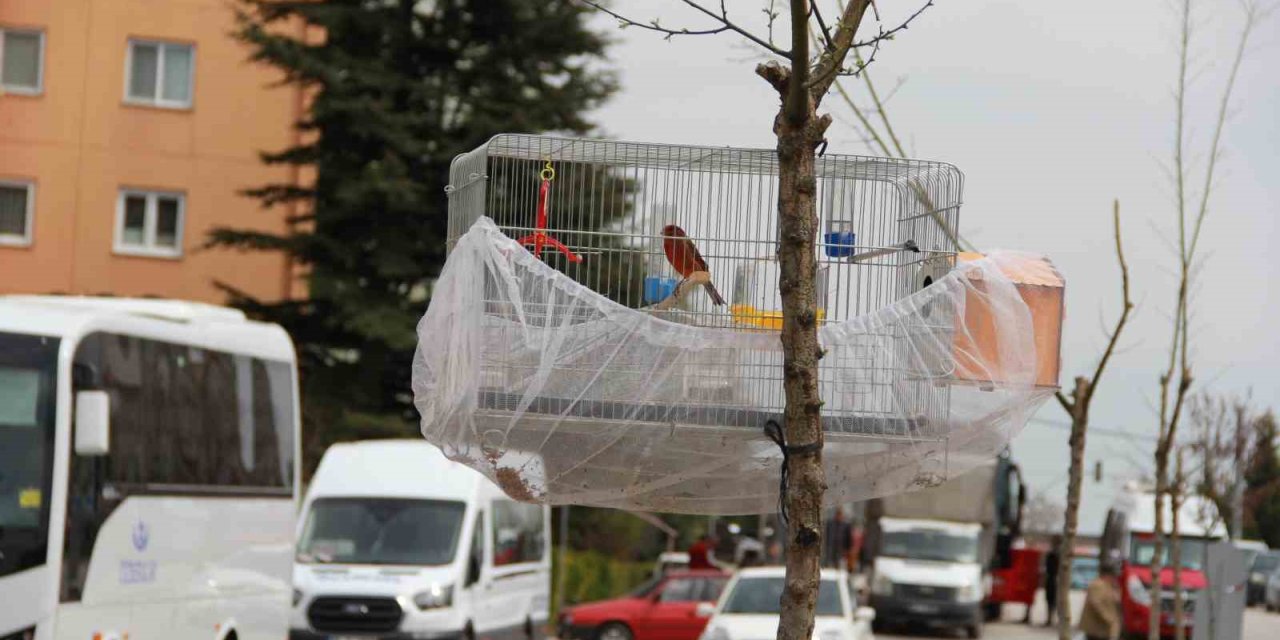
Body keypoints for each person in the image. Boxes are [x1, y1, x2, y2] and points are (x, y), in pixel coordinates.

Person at [1078, 561, 1122, 640]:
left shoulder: (1109, 586)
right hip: (1096, 630)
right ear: (1107, 575)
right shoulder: (1097, 585)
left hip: (1103, 630)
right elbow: (1096, 604)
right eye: (1113, 575)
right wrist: (1109, 619)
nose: (1115, 578)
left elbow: (1115, 601)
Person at [1043, 535, 1061, 627]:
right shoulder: (1053, 552)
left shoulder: (1058, 553)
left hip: (1055, 578)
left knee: (1054, 600)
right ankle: (1050, 618)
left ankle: (1053, 619)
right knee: (1050, 599)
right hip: (1051, 577)